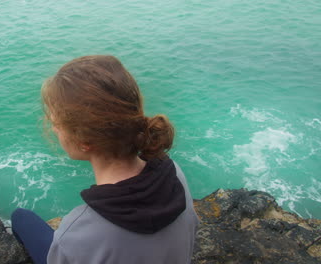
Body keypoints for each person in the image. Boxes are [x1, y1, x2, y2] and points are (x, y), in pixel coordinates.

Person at [11, 55, 199, 264]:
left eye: (56, 123)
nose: (53, 128)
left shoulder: (78, 234)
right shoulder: (175, 175)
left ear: (84, 141)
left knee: (21, 218)